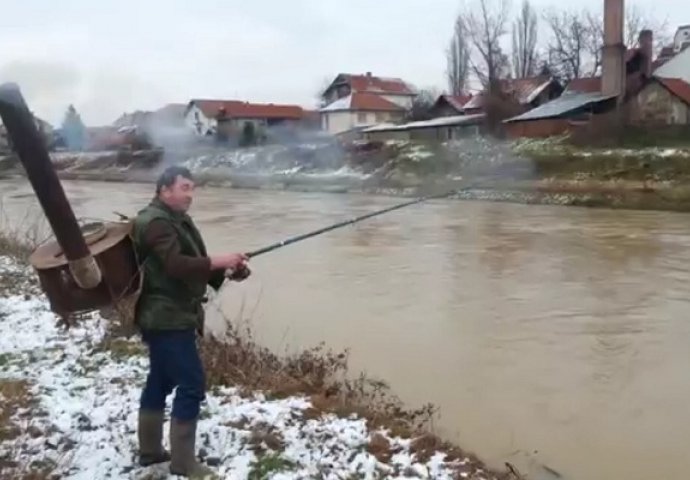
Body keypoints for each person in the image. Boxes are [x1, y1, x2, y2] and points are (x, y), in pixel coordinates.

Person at [132, 165, 250, 478]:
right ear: (164, 189)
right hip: (165, 316)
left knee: (160, 380)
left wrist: (227, 270)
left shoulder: (175, 220)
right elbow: (174, 265)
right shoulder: (156, 222)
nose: (190, 195)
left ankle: (150, 451)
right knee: (192, 384)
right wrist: (219, 260)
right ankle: (183, 463)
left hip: (169, 313)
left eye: (192, 188)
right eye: (184, 187)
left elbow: (192, 264)